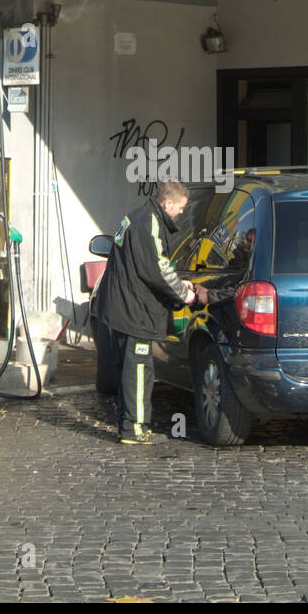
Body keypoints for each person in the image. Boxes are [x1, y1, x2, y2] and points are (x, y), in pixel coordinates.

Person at [96, 179, 200, 444]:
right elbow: (158, 268)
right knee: (139, 370)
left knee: (128, 369)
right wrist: (184, 293)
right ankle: (135, 429)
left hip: (122, 306)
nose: (181, 213)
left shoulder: (135, 217)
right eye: (180, 208)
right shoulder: (148, 223)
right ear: (167, 203)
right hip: (135, 310)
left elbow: (143, 263)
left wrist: (178, 282)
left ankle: (128, 423)